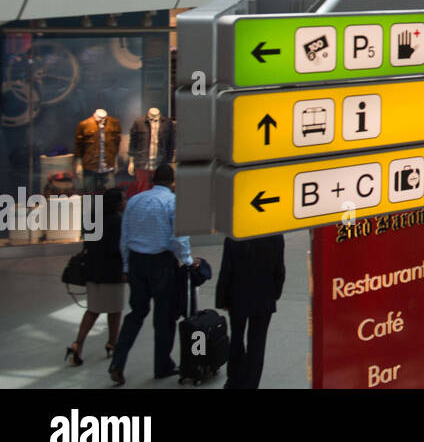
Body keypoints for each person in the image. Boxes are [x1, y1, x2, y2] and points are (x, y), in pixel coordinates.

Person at [108, 165, 195, 384]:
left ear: (153, 179)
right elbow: (178, 237)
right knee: (164, 316)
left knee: (136, 313)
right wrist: (188, 261)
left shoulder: (135, 201)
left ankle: (117, 362)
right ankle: (162, 364)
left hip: (137, 262)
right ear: (172, 182)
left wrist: (127, 267)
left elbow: (125, 237)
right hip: (161, 263)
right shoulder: (172, 202)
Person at [215, 233, 285, 389]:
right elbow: (279, 268)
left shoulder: (235, 236)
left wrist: (222, 298)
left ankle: (234, 380)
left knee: (237, 337)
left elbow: (226, 269)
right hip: (264, 297)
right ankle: (251, 383)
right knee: (257, 342)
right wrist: (275, 294)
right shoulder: (275, 236)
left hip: (237, 296)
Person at [67, 188, 126, 366]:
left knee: (93, 310)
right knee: (115, 310)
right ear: (116, 203)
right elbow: (118, 248)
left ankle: (78, 343)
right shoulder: (117, 221)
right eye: (123, 199)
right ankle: (112, 343)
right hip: (112, 272)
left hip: (93, 271)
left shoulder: (93, 219)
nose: (125, 202)